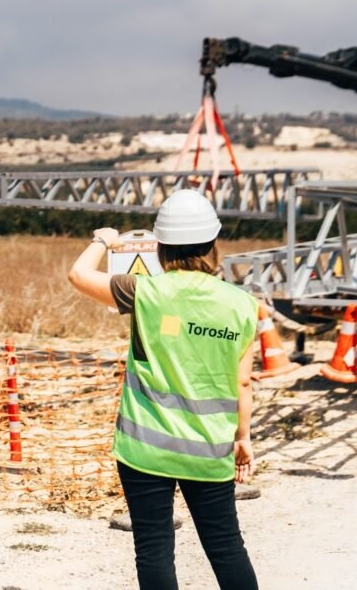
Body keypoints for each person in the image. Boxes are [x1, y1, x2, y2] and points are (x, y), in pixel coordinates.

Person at [68, 189, 258, 590]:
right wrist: (243, 437)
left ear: (161, 247)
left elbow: (78, 276)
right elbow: (242, 381)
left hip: (145, 448)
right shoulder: (242, 304)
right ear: (213, 243)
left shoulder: (143, 291)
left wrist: (102, 240)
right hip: (208, 447)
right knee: (226, 545)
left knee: (153, 547)